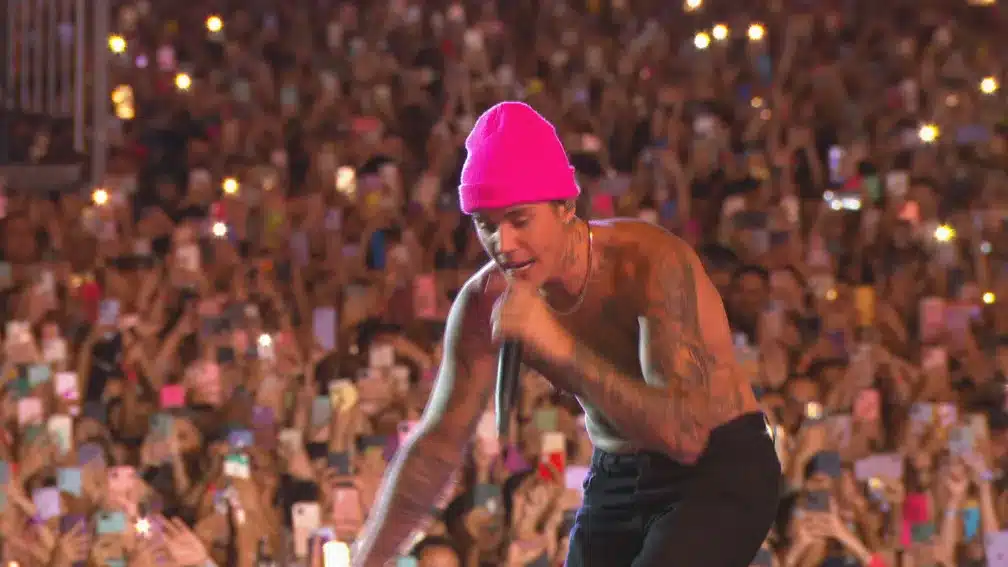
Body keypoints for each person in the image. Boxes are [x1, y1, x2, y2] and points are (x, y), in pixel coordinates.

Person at [352, 101, 782, 567]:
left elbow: (686, 435)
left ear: (565, 206)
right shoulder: (485, 300)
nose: (503, 244)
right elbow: (436, 448)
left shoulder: (648, 263)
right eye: (486, 225)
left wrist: (558, 348)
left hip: (718, 465)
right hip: (618, 469)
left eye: (519, 220)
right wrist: (366, 560)